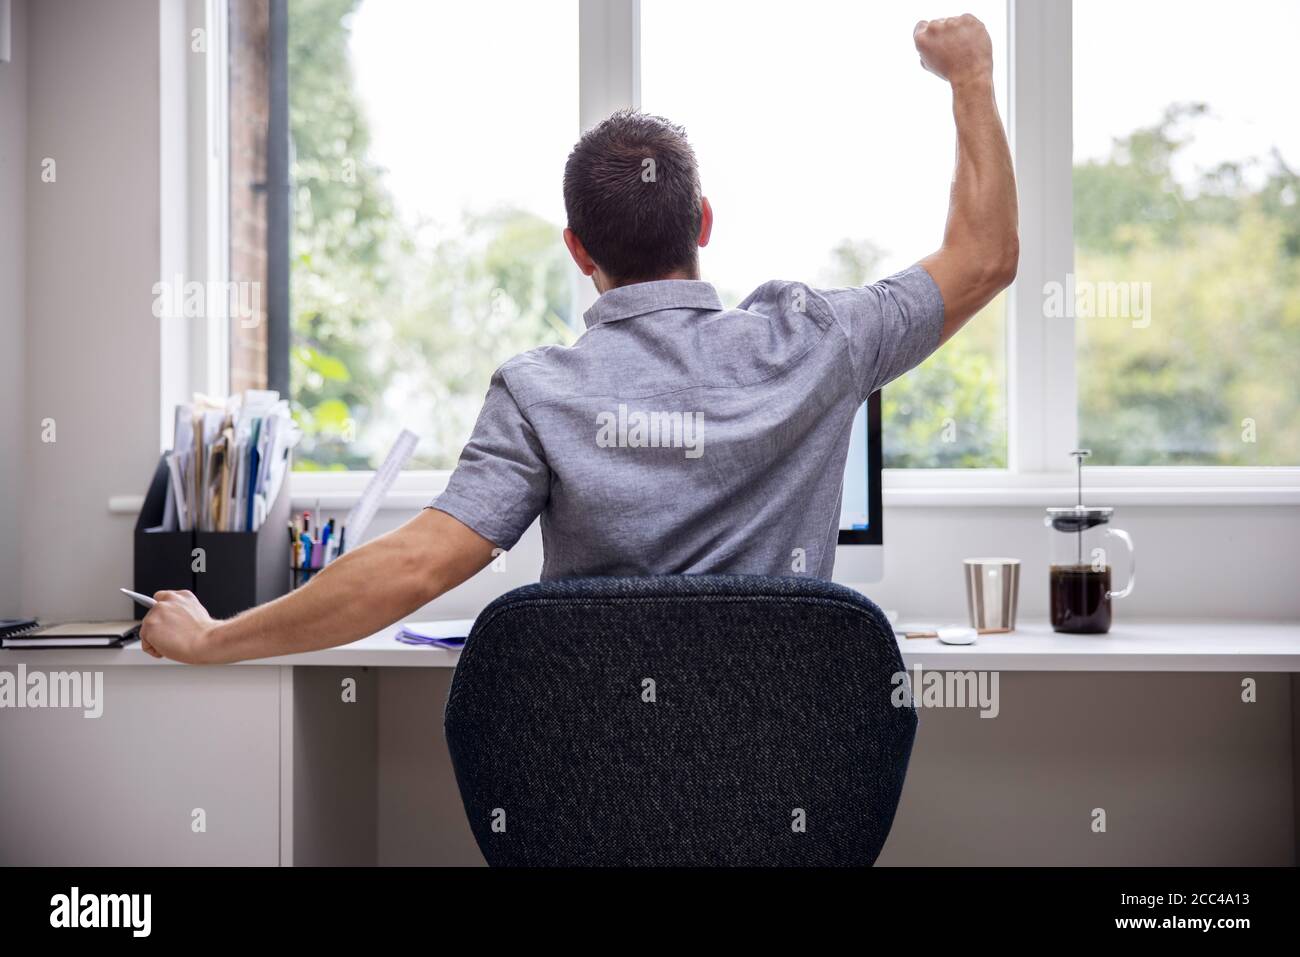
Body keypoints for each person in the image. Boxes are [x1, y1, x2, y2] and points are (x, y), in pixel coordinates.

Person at [141, 14, 1017, 664]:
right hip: (794, 782)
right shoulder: (820, 339)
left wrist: (214, 637)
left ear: (577, 250)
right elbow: (985, 258)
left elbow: (416, 566)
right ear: (703, 222)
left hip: (593, 789)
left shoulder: (539, 392)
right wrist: (972, 75)